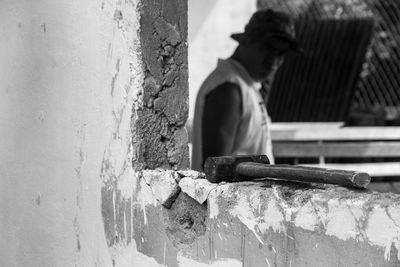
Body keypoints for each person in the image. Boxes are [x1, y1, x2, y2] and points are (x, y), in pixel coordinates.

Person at [191, 9, 301, 171]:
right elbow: (216, 171)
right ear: (248, 41)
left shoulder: (247, 84)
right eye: (268, 48)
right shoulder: (229, 88)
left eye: (281, 54)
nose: (274, 60)